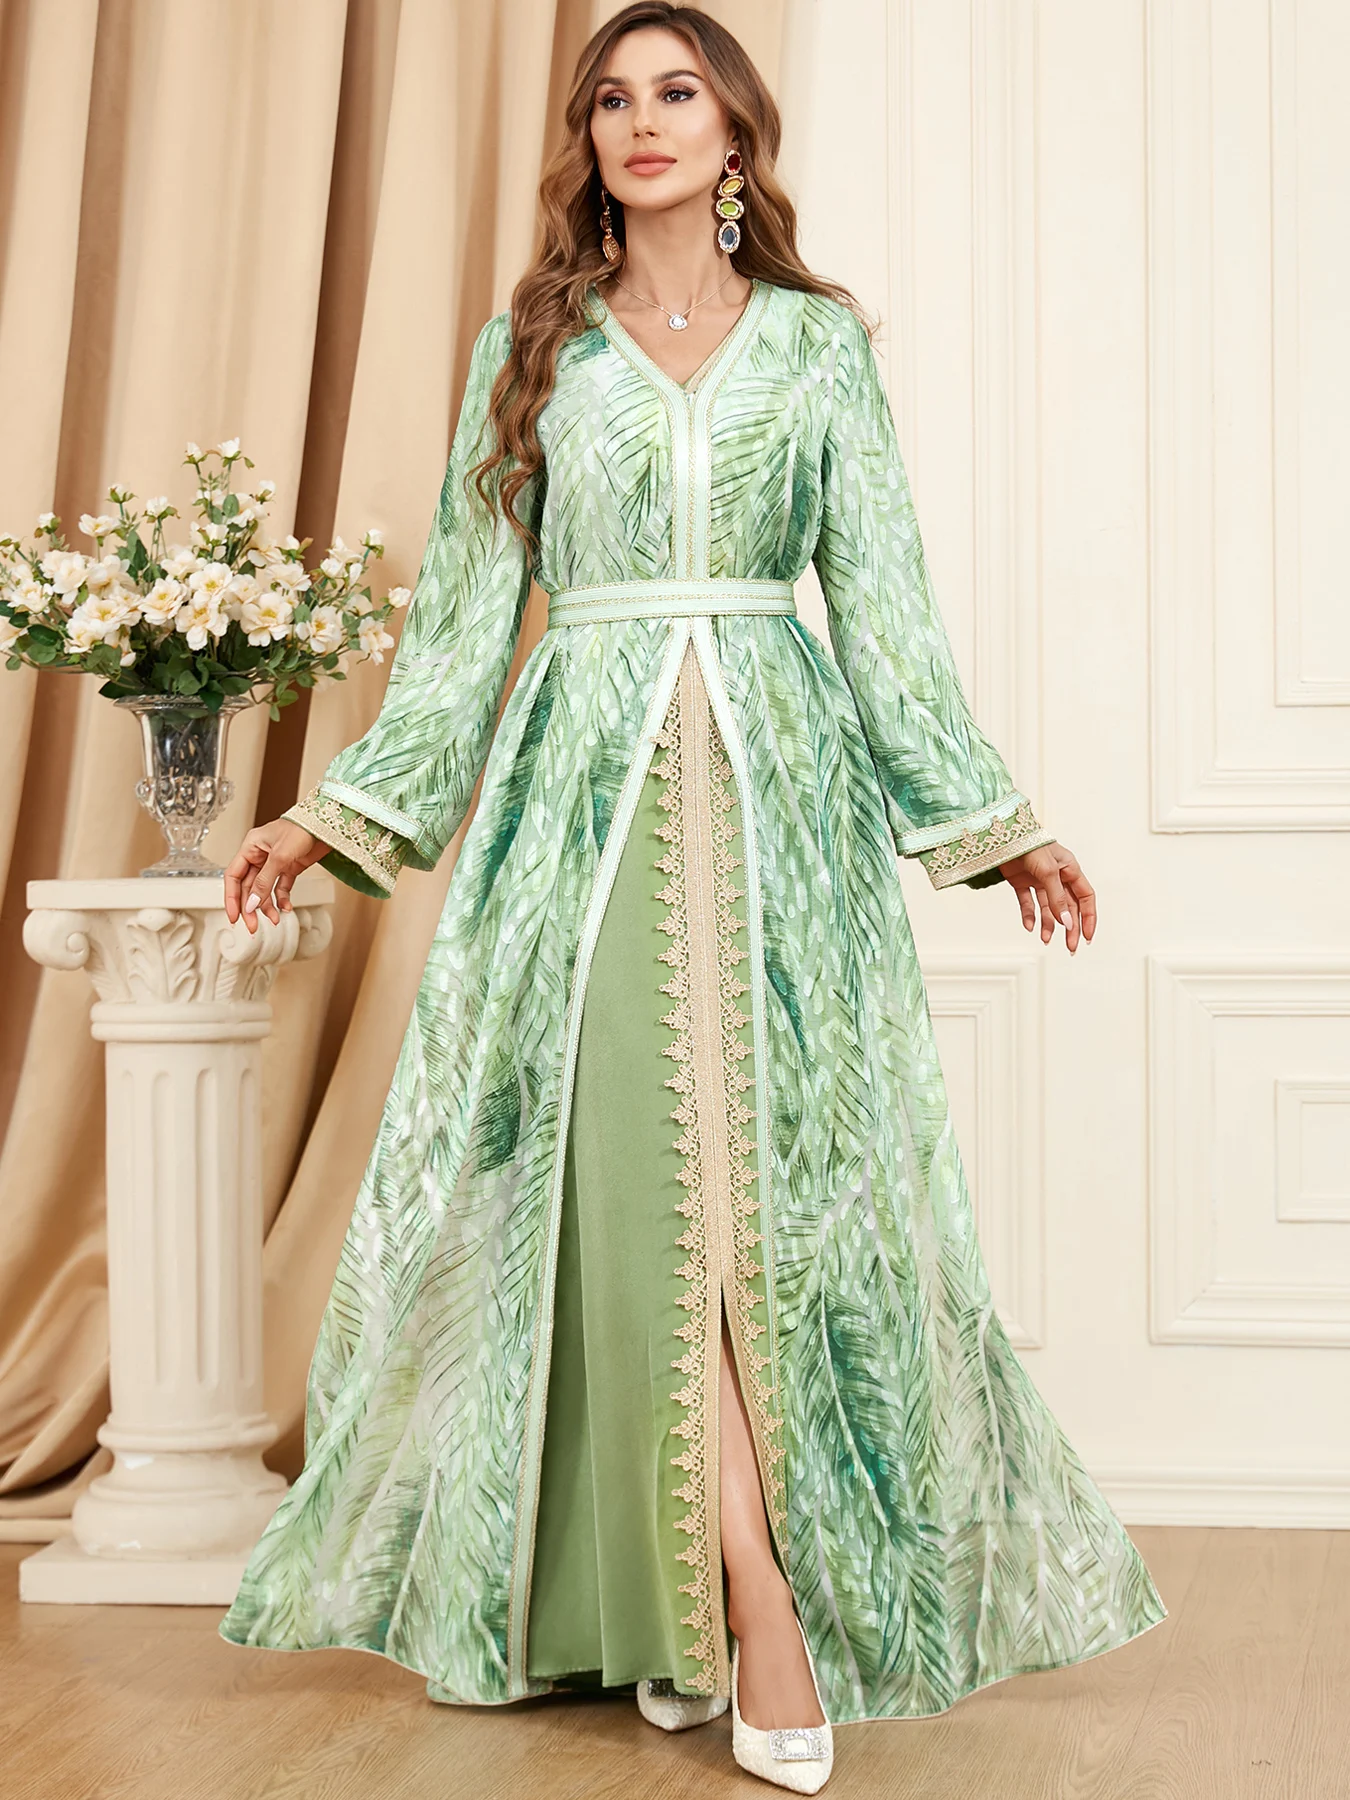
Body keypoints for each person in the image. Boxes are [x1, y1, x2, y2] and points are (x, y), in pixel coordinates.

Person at [217, 5, 1165, 1791]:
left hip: (782, 813)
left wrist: (994, 823)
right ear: (586, 139)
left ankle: (690, 1616)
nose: (640, 122)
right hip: (577, 822)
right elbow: (458, 636)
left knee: (764, 1218)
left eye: (677, 94)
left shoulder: (815, 349)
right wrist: (328, 823)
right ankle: (754, 1604)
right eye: (610, 98)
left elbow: (883, 606)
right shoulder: (531, 347)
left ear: (735, 135)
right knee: (646, 1202)